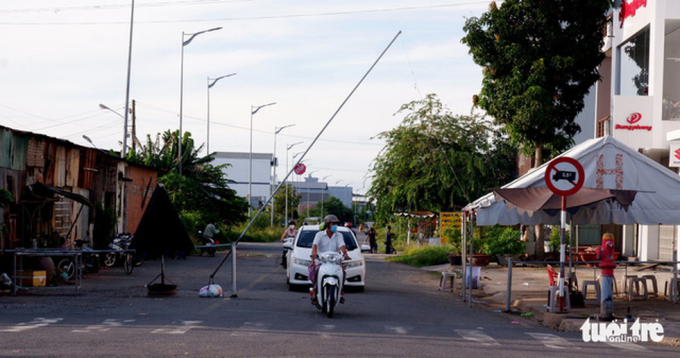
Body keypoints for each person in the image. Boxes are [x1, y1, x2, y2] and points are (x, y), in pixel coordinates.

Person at [309, 214, 350, 305]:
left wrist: (345, 254)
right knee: (315, 272)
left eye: (336, 223)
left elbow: (342, 245)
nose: (335, 225)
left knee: (343, 272)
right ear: (327, 224)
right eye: (333, 223)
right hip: (321, 261)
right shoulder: (319, 235)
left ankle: (340, 292)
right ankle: (314, 293)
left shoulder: (339, 235)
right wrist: (314, 256)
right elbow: (315, 245)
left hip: (335, 261)